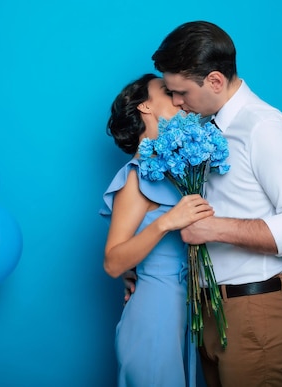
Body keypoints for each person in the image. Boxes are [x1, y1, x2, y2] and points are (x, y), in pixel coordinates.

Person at [138, 21, 282, 386]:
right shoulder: (206, 126)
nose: (175, 102)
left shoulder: (263, 128)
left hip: (253, 312)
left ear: (216, 81)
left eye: (181, 92)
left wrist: (213, 228)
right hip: (209, 309)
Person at [100, 73, 214, 386]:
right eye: (167, 91)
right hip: (155, 314)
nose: (179, 98)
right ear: (145, 107)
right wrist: (167, 223)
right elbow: (112, 262)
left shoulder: (174, 172)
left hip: (183, 310)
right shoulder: (136, 176)